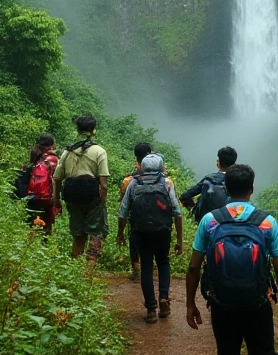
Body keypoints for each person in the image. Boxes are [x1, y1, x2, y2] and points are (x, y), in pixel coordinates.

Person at [185, 164, 278, 355]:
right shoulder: (267, 222)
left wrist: (190, 304)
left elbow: (194, 268)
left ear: (227, 189)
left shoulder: (210, 220)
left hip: (221, 303)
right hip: (257, 303)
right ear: (251, 189)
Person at [117, 152, 185, 323]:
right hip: (163, 231)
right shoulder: (166, 183)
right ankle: (164, 297)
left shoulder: (133, 183)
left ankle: (151, 309)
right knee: (163, 262)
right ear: (161, 167)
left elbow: (123, 212)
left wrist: (120, 234)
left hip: (140, 231)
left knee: (146, 266)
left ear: (143, 167)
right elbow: (177, 213)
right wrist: (179, 240)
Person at [53, 115, 111, 262]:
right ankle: (88, 274)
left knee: (78, 235)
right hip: (92, 198)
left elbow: (57, 178)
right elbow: (103, 182)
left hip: (72, 197)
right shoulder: (99, 151)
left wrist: (56, 200)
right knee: (96, 232)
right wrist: (103, 202)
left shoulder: (68, 152)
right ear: (93, 130)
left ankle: (75, 269)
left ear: (78, 130)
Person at [180, 146, 236, 221]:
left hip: (207, 221)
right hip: (230, 222)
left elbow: (185, 196)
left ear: (218, 163)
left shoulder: (209, 179)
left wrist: (194, 209)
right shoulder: (237, 181)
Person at [24, 134, 61, 235]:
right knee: (46, 228)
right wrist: (57, 200)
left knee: (32, 225)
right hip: (45, 199)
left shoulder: (32, 159)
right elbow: (56, 179)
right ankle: (44, 248)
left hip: (31, 197)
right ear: (51, 146)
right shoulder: (53, 159)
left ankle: (30, 246)